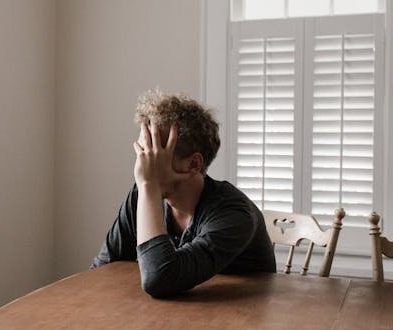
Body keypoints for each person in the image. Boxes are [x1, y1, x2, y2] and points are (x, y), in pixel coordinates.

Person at [91, 89, 276, 298]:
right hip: (170, 317)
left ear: (193, 164)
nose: (142, 165)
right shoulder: (142, 195)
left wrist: (149, 185)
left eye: (153, 154)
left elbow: (160, 279)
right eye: (142, 152)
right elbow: (102, 270)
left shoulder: (234, 214)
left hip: (241, 321)